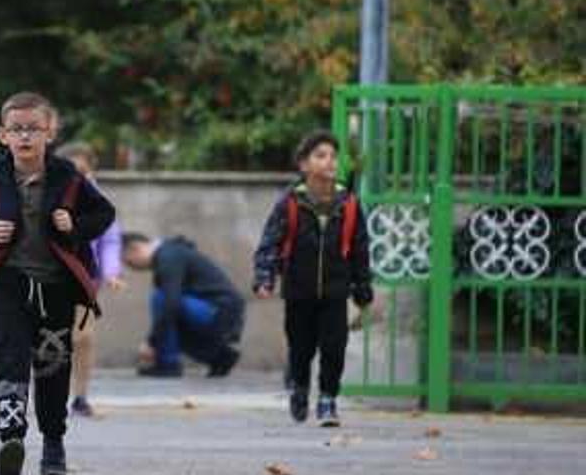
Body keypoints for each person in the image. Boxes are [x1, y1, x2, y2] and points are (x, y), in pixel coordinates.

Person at [0, 92, 116, 475]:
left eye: (33, 129)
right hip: (8, 284)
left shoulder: (68, 179)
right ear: (2, 135)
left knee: (51, 367)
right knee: (8, 360)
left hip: (55, 287)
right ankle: (11, 437)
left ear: (50, 132)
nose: (25, 137)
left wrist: (74, 227)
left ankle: (53, 443)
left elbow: (104, 213)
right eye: (17, 129)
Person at [252, 129, 373, 428]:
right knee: (301, 347)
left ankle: (328, 399)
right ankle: (300, 387)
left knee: (334, 347)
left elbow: (360, 248)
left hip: (335, 291)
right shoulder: (291, 203)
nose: (329, 161)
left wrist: (363, 288)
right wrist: (264, 277)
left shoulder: (350, 204)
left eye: (333, 156)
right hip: (298, 290)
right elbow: (270, 242)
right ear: (304, 164)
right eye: (321, 155)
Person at [56, 143, 125, 418]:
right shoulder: (47, 197)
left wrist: (111, 273)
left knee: (83, 337)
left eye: (83, 172)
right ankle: (49, 395)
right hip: (50, 278)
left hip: (86, 279)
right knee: (48, 340)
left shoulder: (97, 202)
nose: (77, 178)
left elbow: (110, 240)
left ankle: (80, 396)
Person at [121, 233, 245, 379]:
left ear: (135, 248)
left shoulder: (168, 256)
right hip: (221, 312)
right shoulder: (170, 254)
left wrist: (151, 342)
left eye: (128, 262)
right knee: (169, 326)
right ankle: (220, 357)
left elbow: (170, 303)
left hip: (219, 311)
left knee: (161, 299)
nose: (131, 267)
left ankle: (168, 365)